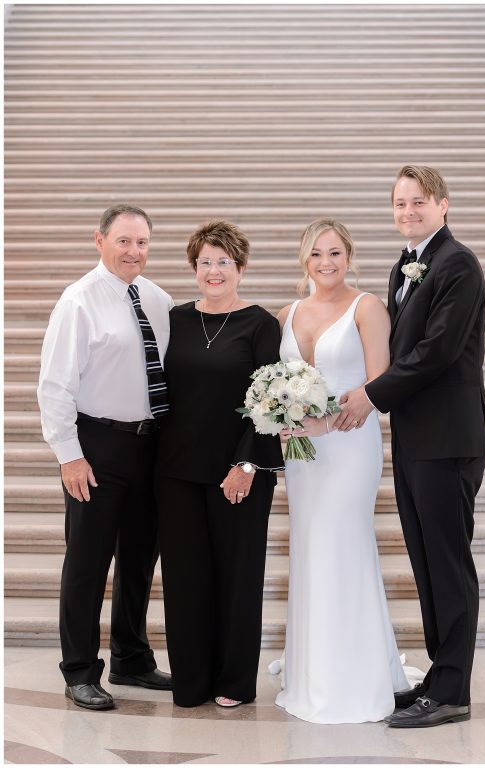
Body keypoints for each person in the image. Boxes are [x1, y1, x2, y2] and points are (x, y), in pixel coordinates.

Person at [339, 165, 485, 728]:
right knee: (426, 563)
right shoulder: (407, 263)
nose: (408, 211)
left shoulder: (458, 264)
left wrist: (371, 395)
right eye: (400, 203)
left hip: (448, 440)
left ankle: (452, 691)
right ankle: (439, 674)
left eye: (419, 202)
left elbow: (436, 352)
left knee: (448, 564)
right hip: (415, 438)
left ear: (443, 204)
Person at [37, 204, 174, 710]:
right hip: (96, 447)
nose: (133, 251)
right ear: (100, 241)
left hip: (150, 445)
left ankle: (132, 658)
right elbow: (54, 385)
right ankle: (78, 670)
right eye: (123, 241)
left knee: (140, 559)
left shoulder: (158, 299)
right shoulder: (79, 301)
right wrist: (69, 455)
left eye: (141, 242)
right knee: (88, 563)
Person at [273, 218, 410, 723]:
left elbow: (380, 385)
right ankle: (312, 672)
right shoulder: (285, 313)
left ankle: (353, 678)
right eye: (316, 254)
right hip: (301, 456)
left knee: (343, 545)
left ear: (349, 256)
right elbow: (274, 385)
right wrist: (279, 418)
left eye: (334, 253)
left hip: (350, 445)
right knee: (309, 549)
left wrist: (323, 424)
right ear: (303, 259)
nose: (325, 263)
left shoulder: (367, 307)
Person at [155, 220, 283, 708]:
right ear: (193, 268)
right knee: (185, 579)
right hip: (176, 470)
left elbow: (270, 401)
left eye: (223, 262)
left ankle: (233, 681)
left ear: (241, 268)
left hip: (239, 471)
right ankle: (191, 679)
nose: (213, 271)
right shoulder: (176, 319)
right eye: (204, 262)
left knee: (238, 575)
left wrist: (247, 465)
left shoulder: (260, 323)